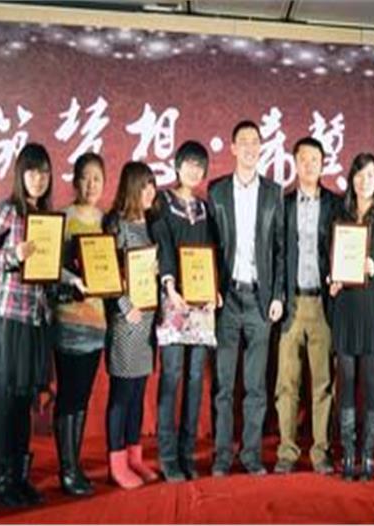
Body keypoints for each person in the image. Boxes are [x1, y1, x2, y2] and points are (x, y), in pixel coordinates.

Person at [0, 143, 58, 507]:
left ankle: (20, 478)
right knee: (6, 402)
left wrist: (73, 280)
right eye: (32, 172)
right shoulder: (8, 210)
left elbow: (51, 268)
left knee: (24, 402)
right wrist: (14, 254)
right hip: (9, 319)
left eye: (44, 172)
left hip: (36, 320)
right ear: (20, 175)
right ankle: (0, 480)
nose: (38, 179)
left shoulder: (48, 218)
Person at [208, 120, 285, 477]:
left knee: (255, 386)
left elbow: (280, 249)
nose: (251, 147)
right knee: (223, 385)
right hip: (226, 298)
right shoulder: (217, 191)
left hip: (259, 298)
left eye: (256, 141)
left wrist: (277, 294)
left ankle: (251, 454)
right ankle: (222, 456)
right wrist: (210, 287)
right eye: (244, 141)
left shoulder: (273, 193)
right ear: (233, 148)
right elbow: (208, 245)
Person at [273, 137, 340, 476]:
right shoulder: (282, 204)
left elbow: (344, 248)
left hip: (323, 303)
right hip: (292, 303)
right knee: (287, 382)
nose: (309, 164)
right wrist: (277, 296)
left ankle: (320, 451)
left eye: (315, 159)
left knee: (323, 383)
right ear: (295, 163)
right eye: (303, 159)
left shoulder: (335, 205)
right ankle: (287, 450)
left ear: (323, 163)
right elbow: (276, 254)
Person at [152, 141, 217, 482]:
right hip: (173, 299)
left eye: (199, 165)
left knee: (195, 379)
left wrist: (213, 288)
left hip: (202, 303)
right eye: (189, 163)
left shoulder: (205, 208)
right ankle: (167, 456)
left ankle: (187, 452)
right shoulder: (163, 202)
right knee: (172, 374)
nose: (194, 170)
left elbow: (211, 250)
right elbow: (161, 243)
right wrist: (169, 285)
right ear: (177, 166)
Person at [330, 152, 374, 482]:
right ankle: (348, 452)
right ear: (351, 178)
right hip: (345, 305)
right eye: (359, 174)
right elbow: (328, 253)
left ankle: (368, 454)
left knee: (371, 382)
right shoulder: (338, 213)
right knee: (346, 380)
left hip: (373, 305)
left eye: (370, 174)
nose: (364, 180)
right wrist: (332, 276)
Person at [50, 152, 107, 496]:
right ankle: (67, 470)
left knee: (82, 396)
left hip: (97, 322)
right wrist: (73, 280)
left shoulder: (106, 221)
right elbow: (49, 265)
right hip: (69, 319)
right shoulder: (63, 218)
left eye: (97, 178)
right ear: (75, 181)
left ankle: (74, 465)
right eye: (85, 177)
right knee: (69, 395)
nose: (91, 184)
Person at [103, 161, 160, 489]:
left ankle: (135, 457)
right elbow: (106, 272)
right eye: (145, 185)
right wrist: (125, 307)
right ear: (131, 187)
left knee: (138, 393)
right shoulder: (116, 223)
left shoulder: (152, 223)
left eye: (153, 185)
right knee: (122, 394)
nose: (151, 191)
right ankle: (116, 463)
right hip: (126, 321)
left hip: (148, 320)